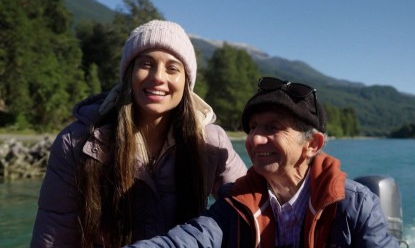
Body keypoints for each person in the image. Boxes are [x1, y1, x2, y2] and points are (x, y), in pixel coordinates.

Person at [30, 20, 247, 248]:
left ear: (186, 82)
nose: (158, 77)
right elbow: (54, 234)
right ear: (129, 74)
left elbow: (248, 207)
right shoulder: (76, 143)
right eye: (146, 64)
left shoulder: (211, 142)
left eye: (172, 68)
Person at [125, 77, 399, 247]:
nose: (254, 140)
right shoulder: (237, 204)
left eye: (272, 128)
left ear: (312, 144)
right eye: (253, 128)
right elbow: (187, 241)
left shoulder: (355, 205)